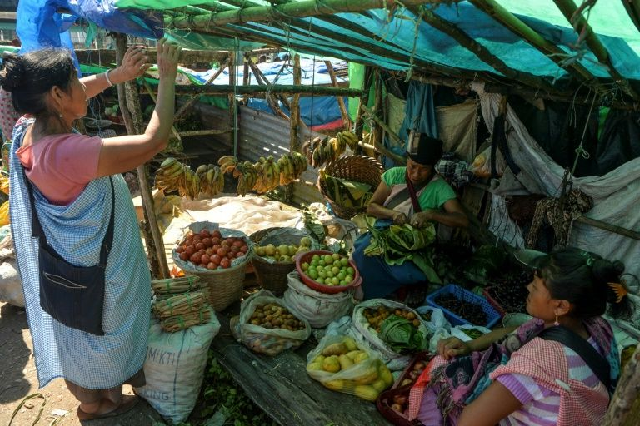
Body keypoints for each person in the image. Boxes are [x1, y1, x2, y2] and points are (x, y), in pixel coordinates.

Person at [1, 39, 180, 420]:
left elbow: (80, 94)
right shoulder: (69, 153)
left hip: (68, 266)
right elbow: (155, 140)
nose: (86, 86)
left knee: (80, 333)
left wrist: (117, 76)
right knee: (106, 332)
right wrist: (167, 77)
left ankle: (92, 401)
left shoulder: (27, 130)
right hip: (100, 271)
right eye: (76, 82)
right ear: (56, 94)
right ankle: (106, 405)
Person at [408, 247, 626, 426]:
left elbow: (469, 422)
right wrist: (470, 345)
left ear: (560, 306)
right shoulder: (598, 328)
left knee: (438, 369)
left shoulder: (537, 363)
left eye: (537, 285)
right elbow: (519, 330)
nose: (527, 287)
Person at [351, 133, 468, 300]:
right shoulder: (394, 175)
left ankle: (388, 293)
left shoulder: (439, 188)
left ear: (432, 167)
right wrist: (392, 214)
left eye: (423, 169)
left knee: (405, 273)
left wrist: (430, 214)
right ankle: (363, 294)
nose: (415, 174)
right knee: (363, 253)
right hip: (384, 234)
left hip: (414, 247)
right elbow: (371, 207)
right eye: (412, 166)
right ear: (407, 161)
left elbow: (462, 220)